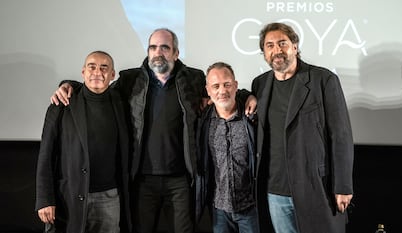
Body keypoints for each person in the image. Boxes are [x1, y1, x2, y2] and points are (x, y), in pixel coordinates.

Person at [50, 29, 256, 233]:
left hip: (180, 181)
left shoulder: (193, 78)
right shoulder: (131, 80)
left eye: (165, 47)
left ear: (176, 53)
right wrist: (69, 85)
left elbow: (223, 91)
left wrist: (247, 96)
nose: (158, 52)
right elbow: (97, 88)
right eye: (153, 47)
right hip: (142, 181)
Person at [251, 22, 354, 233]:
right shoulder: (260, 84)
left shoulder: (323, 80)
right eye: (269, 45)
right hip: (275, 191)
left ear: (295, 46)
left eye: (282, 43)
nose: (277, 50)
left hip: (315, 187)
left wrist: (343, 186)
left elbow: (341, 136)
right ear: (264, 53)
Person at [35, 51, 131, 233]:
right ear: (83, 72)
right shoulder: (62, 105)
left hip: (109, 199)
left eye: (104, 68)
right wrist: (45, 199)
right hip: (68, 197)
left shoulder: (121, 103)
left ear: (112, 74)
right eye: (91, 67)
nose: (97, 72)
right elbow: (46, 155)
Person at [195, 62, 259, 233]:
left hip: (251, 208)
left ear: (236, 86)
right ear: (208, 90)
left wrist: (250, 96)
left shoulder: (252, 118)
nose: (222, 91)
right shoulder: (202, 122)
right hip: (219, 211)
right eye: (216, 86)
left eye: (227, 84)